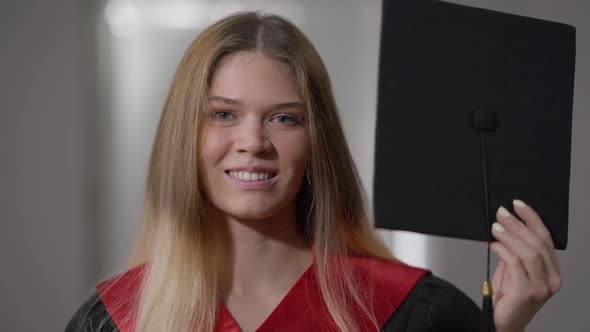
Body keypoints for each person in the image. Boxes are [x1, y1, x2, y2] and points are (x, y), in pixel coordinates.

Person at [66, 11, 561, 332]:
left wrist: (504, 327)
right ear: (185, 137)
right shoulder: (112, 320)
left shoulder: (415, 313)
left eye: (285, 118)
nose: (253, 142)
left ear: (316, 141)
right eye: (223, 114)